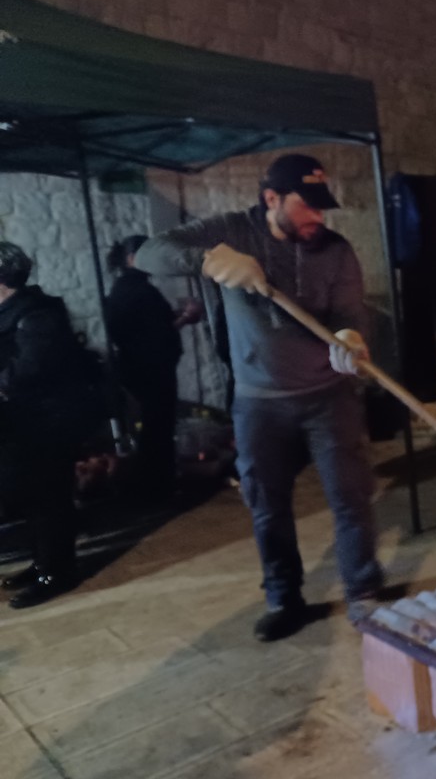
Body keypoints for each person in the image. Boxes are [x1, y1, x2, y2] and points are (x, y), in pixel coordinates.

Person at [135, 154, 384, 641]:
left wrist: (351, 337)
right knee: (267, 505)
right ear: (272, 198)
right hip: (259, 402)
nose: (318, 217)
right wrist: (208, 260)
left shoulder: (335, 250)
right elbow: (149, 253)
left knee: (351, 496)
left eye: (322, 206)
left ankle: (364, 591)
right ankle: (284, 598)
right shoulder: (233, 232)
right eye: (307, 205)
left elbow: (350, 312)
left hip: (328, 397)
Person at [0, 242, 95, 608]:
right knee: (31, 497)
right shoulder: (13, 311)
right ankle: (42, 563)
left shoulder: (36, 314)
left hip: (47, 422)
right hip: (25, 422)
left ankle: (58, 572)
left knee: (49, 498)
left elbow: (29, 368)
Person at [105, 235, 201, 500]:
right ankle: (158, 486)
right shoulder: (139, 291)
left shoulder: (125, 289)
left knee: (155, 426)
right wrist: (185, 317)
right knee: (158, 427)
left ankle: (155, 484)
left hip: (142, 368)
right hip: (152, 369)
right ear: (131, 259)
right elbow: (155, 334)